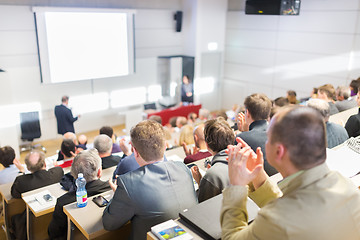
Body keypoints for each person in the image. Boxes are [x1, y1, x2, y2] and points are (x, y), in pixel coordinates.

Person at [221, 106, 360, 240]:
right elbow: (293, 210)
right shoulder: (346, 184)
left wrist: (236, 186)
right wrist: (259, 177)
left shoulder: (278, 221)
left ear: (278, 151)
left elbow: (232, 237)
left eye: (268, 138)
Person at [102, 120, 197, 240]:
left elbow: (109, 223)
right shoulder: (182, 168)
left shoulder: (128, 184)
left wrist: (117, 195)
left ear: (135, 151)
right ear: (164, 146)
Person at [48, 149, 111, 239]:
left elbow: (53, 232)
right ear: (99, 172)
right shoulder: (113, 189)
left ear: (73, 175)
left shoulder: (63, 202)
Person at [10, 151, 64, 240]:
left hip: (33, 225)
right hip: (58, 223)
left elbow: (14, 194)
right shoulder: (58, 172)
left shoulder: (22, 181)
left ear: (27, 167)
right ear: (45, 163)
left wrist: (21, 171)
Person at [191, 117, 235, 202]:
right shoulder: (246, 160)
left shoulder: (212, 176)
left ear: (207, 145)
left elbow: (203, 206)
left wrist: (202, 182)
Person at [236, 93, 277, 176]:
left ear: (247, 113)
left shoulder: (241, 138)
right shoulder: (280, 133)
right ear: (268, 114)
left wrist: (243, 134)